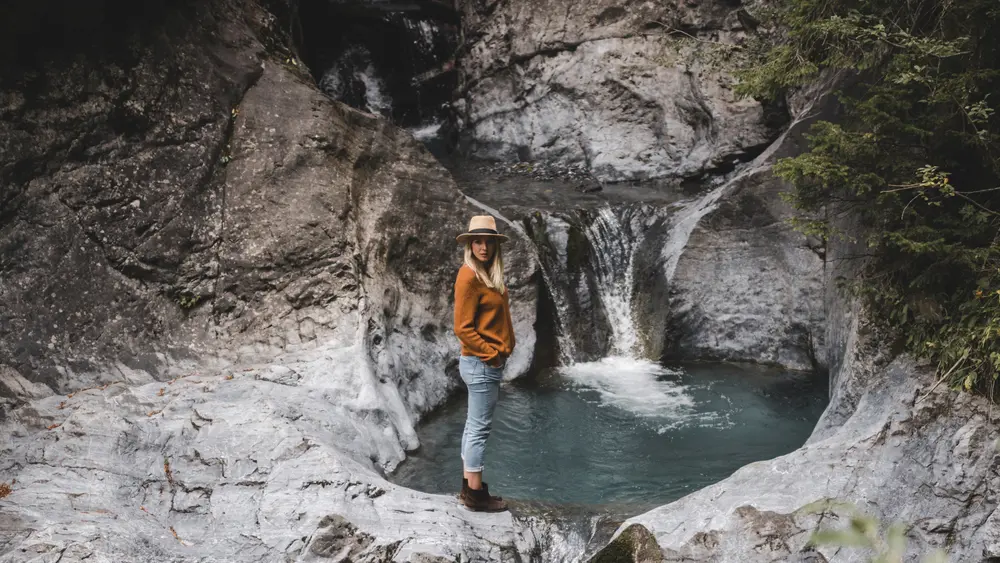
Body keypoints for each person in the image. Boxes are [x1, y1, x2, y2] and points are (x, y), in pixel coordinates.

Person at [453, 215, 515, 512]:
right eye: (477, 241)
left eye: (488, 241)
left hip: (485, 362)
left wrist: (509, 345)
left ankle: (468, 488)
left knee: (472, 426)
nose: (483, 247)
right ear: (470, 245)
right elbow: (462, 328)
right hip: (480, 363)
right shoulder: (469, 276)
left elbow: (502, 317)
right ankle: (476, 496)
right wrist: (491, 355)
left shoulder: (492, 275)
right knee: (479, 429)